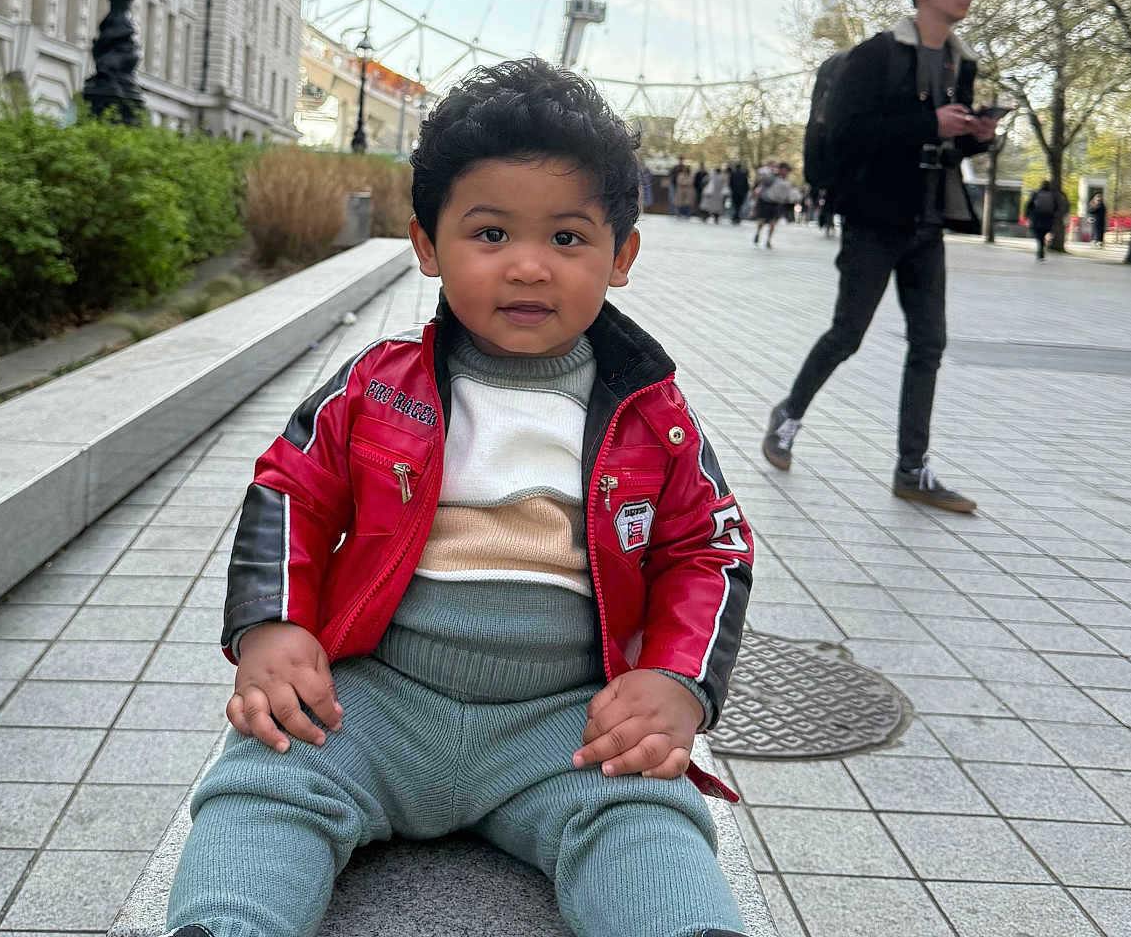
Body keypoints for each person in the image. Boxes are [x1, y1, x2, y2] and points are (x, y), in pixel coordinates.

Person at [166, 58, 755, 937]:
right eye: (489, 235)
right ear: (428, 246)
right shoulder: (376, 385)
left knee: (641, 815)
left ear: (621, 255)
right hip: (376, 699)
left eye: (567, 239)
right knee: (268, 778)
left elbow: (709, 547)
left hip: (564, 719)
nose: (528, 267)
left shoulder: (652, 416)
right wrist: (274, 625)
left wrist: (675, 681)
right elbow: (290, 488)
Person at [760, 0, 999, 514]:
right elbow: (847, 133)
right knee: (847, 334)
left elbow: (945, 137)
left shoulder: (961, 63)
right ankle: (788, 415)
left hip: (929, 219)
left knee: (929, 343)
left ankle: (911, 468)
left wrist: (974, 135)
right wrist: (928, 123)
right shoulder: (876, 55)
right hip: (874, 218)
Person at [752, 161, 794, 248]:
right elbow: (763, 182)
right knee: (762, 221)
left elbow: (787, 194)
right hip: (766, 201)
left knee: (773, 223)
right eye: (786, 170)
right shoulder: (772, 177)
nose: (787, 173)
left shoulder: (786, 181)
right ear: (781, 169)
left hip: (777, 204)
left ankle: (768, 240)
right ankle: (758, 233)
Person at [1025, 180, 1058, 260]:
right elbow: (1056, 206)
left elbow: (1029, 205)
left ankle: (1040, 250)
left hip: (1037, 217)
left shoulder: (1036, 193)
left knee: (1038, 235)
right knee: (1044, 233)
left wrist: (1027, 215)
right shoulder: (1053, 194)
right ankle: (1043, 247)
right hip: (1048, 217)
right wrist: (1054, 215)